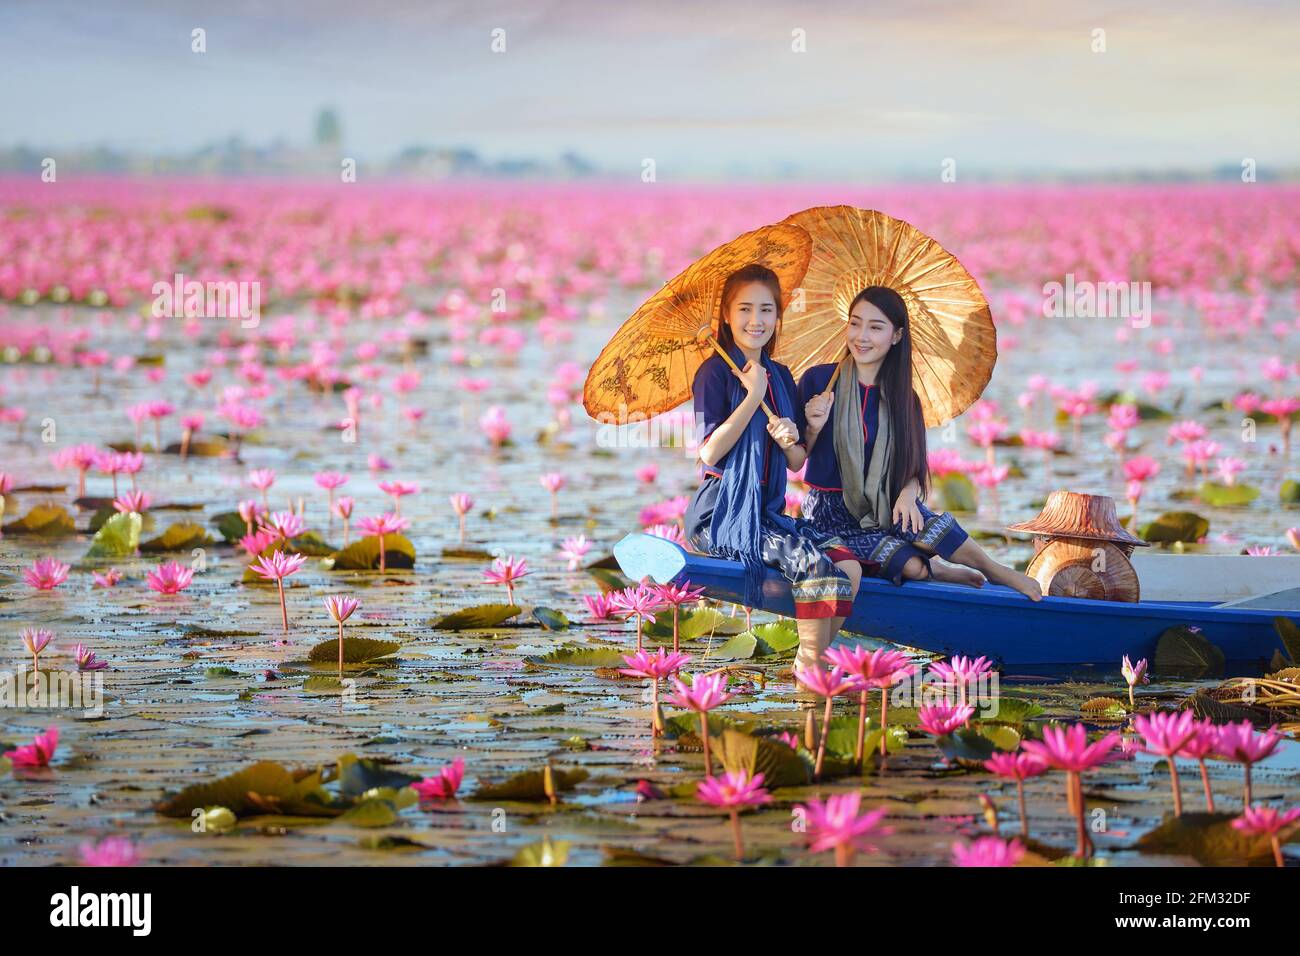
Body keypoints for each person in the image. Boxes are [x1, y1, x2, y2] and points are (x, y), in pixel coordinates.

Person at [798, 285, 1042, 600]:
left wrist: (907, 496)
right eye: (855, 323)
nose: (862, 336)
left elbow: (911, 462)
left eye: (875, 327)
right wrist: (813, 427)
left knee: (931, 526)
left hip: (885, 502)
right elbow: (796, 455)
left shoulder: (904, 397)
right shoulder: (818, 382)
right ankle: (936, 569)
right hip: (829, 514)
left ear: (896, 336)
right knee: (911, 567)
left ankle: (996, 570)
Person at [683, 264, 864, 672]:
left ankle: (808, 658)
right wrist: (752, 399)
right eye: (744, 309)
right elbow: (709, 454)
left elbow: (797, 462)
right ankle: (812, 671)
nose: (756, 320)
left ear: (777, 316)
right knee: (817, 567)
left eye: (766, 310)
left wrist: (805, 432)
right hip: (721, 514)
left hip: (767, 514)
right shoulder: (713, 373)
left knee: (847, 563)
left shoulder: (781, 375)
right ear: (726, 317)